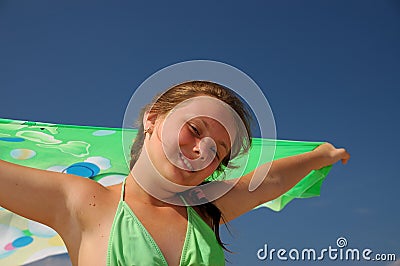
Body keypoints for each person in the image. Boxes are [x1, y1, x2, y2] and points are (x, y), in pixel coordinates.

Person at [0, 81, 350, 266]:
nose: (201, 151)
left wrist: (321, 155)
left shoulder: (206, 209)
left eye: (217, 150)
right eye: (194, 130)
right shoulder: (82, 202)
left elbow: (267, 182)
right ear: (152, 118)